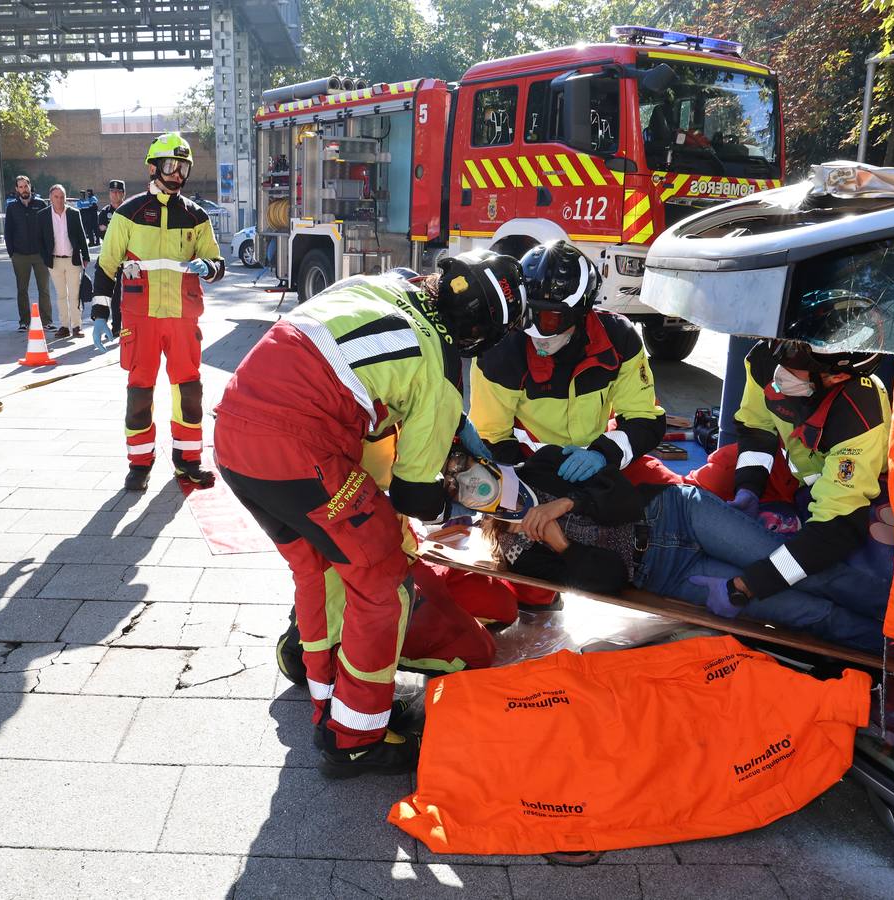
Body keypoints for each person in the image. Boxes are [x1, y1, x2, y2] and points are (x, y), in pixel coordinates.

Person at [213, 252, 527, 777]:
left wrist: (450, 426)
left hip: (235, 429)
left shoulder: (383, 284)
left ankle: (325, 693)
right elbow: (411, 497)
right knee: (381, 580)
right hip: (301, 446)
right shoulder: (441, 368)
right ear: (481, 330)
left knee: (316, 569)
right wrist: (463, 496)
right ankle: (355, 739)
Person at [477, 446, 887, 652]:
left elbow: (625, 497)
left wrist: (568, 502)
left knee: (806, 569)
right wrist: (560, 543)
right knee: (805, 612)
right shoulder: (521, 552)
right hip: (668, 573)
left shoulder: (543, 463)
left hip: (677, 513)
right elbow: (609, 581)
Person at [687, 339, 893, 608]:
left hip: (851, 493)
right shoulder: (765, 359)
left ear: (836, 376)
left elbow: (838, 527)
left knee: (849, 572)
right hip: (796, 474)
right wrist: (747, 487)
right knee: (719, 471)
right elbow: (756, 430)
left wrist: (749, 586)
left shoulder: (860, 414)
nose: (779, 371)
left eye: (792, 367)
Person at [470, 239, 675, 486]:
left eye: (548, 319)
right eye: (526, 314)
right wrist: (543, 483)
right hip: (528, 468)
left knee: (668, 490)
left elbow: (645, 418)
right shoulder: (501, 350)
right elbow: (490, 438)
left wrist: (601, 455)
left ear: (580, 313)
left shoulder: (619, 340)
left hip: (601, 460)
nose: (534, 332)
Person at [91, 133, 226, 491]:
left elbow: (217, 262)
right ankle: (139, 463)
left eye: (183, 167)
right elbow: (107, 266)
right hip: (141, 320)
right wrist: (100, 314)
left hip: (183, 319)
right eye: (171, 165)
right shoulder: (128, 213)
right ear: (153, 167)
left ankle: (188, 460)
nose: (178, 173)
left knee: (189, 391)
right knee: (140, 391)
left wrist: (208, 267)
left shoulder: (196, 216)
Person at [38, 182, 91, 339]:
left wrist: (86, 257)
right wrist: (44, 257)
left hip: (73, 259)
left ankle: (76, 326)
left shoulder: (74, 213)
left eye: (62, 197)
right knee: (61, 295)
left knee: (74, 295)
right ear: (50, 198)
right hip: (54, 261)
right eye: (56, 197)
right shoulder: (42, 216)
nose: (60, 200)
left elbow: (82, 236)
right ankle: (64, 326)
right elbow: (39, 239)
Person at [4, 174, 53, 332]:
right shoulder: (12, 207)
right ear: (16, 189)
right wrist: (12, 252)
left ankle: (47, 321)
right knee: (22, 289)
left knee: (44, 289)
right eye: (21, 187)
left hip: (40, 255)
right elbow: (8, 231)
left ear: (30, 186)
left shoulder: (40, 204)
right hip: (20, 255)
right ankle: (24, 322)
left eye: (26, 186)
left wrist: (48, 251)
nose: (24, 189)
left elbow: (48, 228)